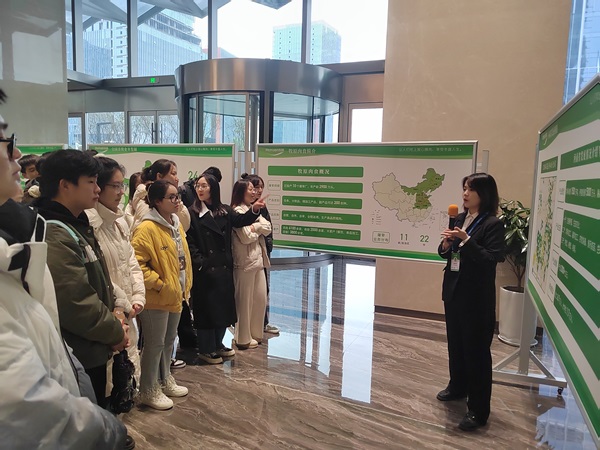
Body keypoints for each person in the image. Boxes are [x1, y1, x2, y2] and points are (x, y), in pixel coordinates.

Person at [0, 102, 126, 448]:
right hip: (83, 355)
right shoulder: (53, 231)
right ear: (65, 185)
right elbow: (75, 301)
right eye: (7, 142)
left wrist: (120, 307)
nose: (18, 154)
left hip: (78, 361)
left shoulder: (66, 225)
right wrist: (114, 329)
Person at [437, 172, 505, 431]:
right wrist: (446, 245)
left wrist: (466, 241)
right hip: (454, 292)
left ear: (484, 194)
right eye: (464, 188)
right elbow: (448, 254)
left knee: (476, 353)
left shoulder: (492, 224)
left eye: (471, 189)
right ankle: (457, 387)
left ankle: (478, 410)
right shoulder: (460, 218)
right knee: (456, 345)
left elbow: (491, 260)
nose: (465, 194)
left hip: (476, 298)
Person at [186, 173, 267, 364]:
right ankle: (206, 349)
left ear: (213, 188)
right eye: (198, 186)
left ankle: (218, 344)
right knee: (207, 310)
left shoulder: (224, 210)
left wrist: (255, 209)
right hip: (206, 270)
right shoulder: (192, 212)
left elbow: (241, 221)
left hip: (223, 268)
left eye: (204, 186)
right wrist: (200, 262)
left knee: (223, 309)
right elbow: (190, 241)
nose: (200, 189)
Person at [131, 180, 192, 410]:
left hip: (176, 293)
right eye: (172, 197)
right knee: (154, 344)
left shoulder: (175, 223)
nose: (177, 201)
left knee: (168, 341)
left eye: (178, 196)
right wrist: (160, 284)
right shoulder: (146, 228)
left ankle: (164, 379)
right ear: (157, 201)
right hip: (157, 297)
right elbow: (137, 264)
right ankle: (148, 389)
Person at [85, 157, 145, 391]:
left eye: (123, 185)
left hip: (128, 312)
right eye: (115, 186)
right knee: (110, 383)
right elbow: (101, 276)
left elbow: (131, 263)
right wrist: (124, 304)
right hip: (109, 315)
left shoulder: (119, 221)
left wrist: (138, 296)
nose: (121, 192)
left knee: (127, 374)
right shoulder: (90, 225)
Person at [230, 179, 271, 349]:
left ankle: (256, 333)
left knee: (260, 300)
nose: (254, 192)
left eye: (255, 189)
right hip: (244, 263)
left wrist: (255, 227)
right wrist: (257, 228)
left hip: (258, 261)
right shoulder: (236, 211)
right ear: (241, 191)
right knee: (244, 303)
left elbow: (267, 227)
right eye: (251, 189)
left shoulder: (253, 209)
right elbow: (246, 236)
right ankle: (242, 338)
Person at [243, 173, 280, 335]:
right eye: (255, 187)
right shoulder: (243, 208)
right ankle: (246, 327)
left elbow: (267, 228)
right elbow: (249, 232)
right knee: (249, 293)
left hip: (262, 252)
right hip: (249, 256)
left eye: (260, 188)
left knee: (262, 291)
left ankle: (261, 324)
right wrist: (259, 228)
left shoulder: (261, 207)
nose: (258, 191)